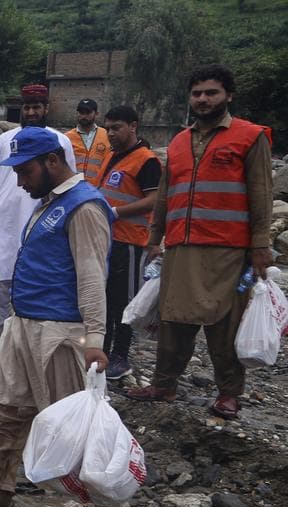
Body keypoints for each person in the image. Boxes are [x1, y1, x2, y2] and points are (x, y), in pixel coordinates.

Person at [0, 127, 116, 507]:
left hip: (61, 332)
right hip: (23, 325)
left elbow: (93, 277)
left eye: (25, 172)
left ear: (53, 162)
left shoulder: (85, 208)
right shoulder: (49, 203)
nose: (20, 181)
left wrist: (94, 339)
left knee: (72, 423)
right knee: (0, 404)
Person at [126, 64, 273, 421]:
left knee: (223, 322)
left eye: (211, 93)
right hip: (180, 246)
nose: (203, 100)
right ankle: (164, 384)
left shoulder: (250, 137)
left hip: (227, 249)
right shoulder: (178, 141)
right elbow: (165, 195)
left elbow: (261, 196)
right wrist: (154, 237)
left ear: (228, 95)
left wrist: (259, 248)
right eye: (197, 94)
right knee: (173, 318)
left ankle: (229, 393)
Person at [0, 84, 76, 348]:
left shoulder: (60, 141)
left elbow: (69, 180)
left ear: (46, 109)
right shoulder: (5, 140)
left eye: (36, 107)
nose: (31, 112)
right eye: (27, 107)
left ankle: (27, 328)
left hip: (42, 217)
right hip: (2, 219)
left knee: (34, 273)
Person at [94, 105, 161, 380]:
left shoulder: (146, 160)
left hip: (130, 241)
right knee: (105, 299)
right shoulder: (114, 156)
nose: (110, 133)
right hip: (108, 239)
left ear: (133, 126)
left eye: (116, 128)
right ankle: (102, 351)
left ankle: (120, 356)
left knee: (123, 301)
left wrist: (117, 212)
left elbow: (155, 199)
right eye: (108, 128)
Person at [65, 98, 111, 185]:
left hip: (97, 187)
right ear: (77, 113)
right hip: (72, 187)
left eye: (88, 113)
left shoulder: (107, 135)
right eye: (81, 112)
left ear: (96, 114)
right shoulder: (67, 137)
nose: (84, 116)